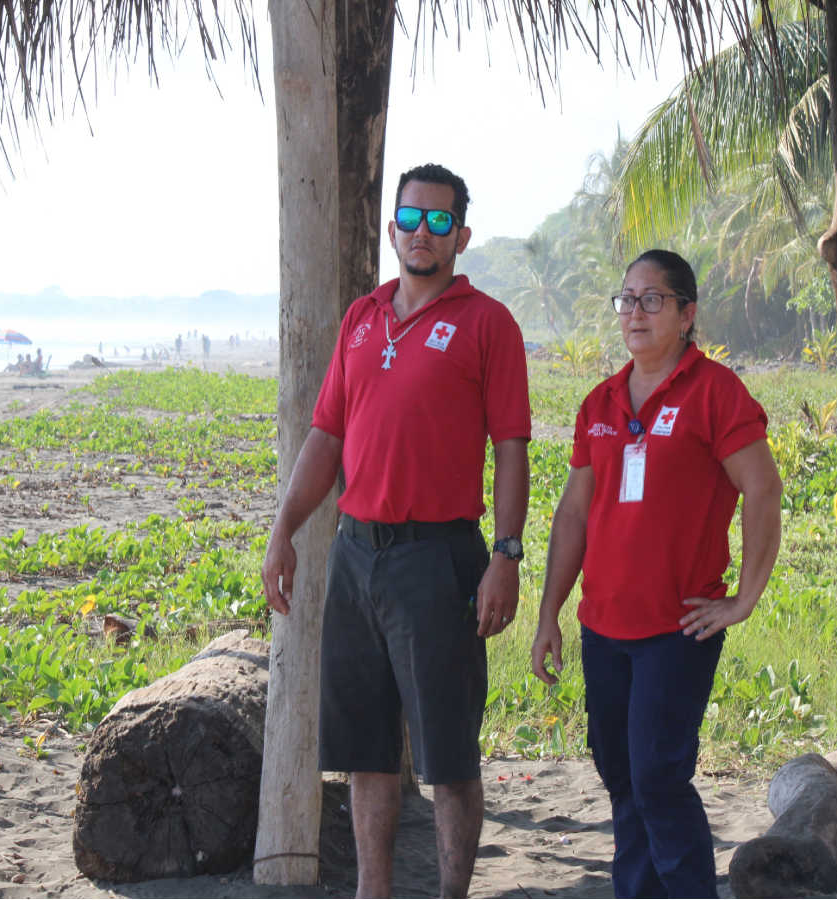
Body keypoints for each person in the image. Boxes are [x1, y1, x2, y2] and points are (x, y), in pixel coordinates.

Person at [261, 162, 531, 898]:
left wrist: (505, 555)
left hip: (438, 557)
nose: (423, 232)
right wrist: (284, 529)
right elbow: (326, 436)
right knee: (365, 751)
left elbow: (511, 448)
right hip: (355, 555)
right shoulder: (362, 316)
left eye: (439, 221)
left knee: (447, 755)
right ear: (393, 229)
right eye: (411, 219)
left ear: (461, 236)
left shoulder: (487, 325)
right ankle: (371, 892)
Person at [531, 249, 782, 898]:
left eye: (652, 300)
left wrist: (744, 599)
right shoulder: (600, 402)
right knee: (620, 775)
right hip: (603, 626)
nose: (634, 312)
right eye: (626, 299)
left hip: (678, 628)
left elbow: (762, 490)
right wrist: (548, 615)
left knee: (658, 777)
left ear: (686, 314)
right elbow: (573, 515)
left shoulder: (715, 392)